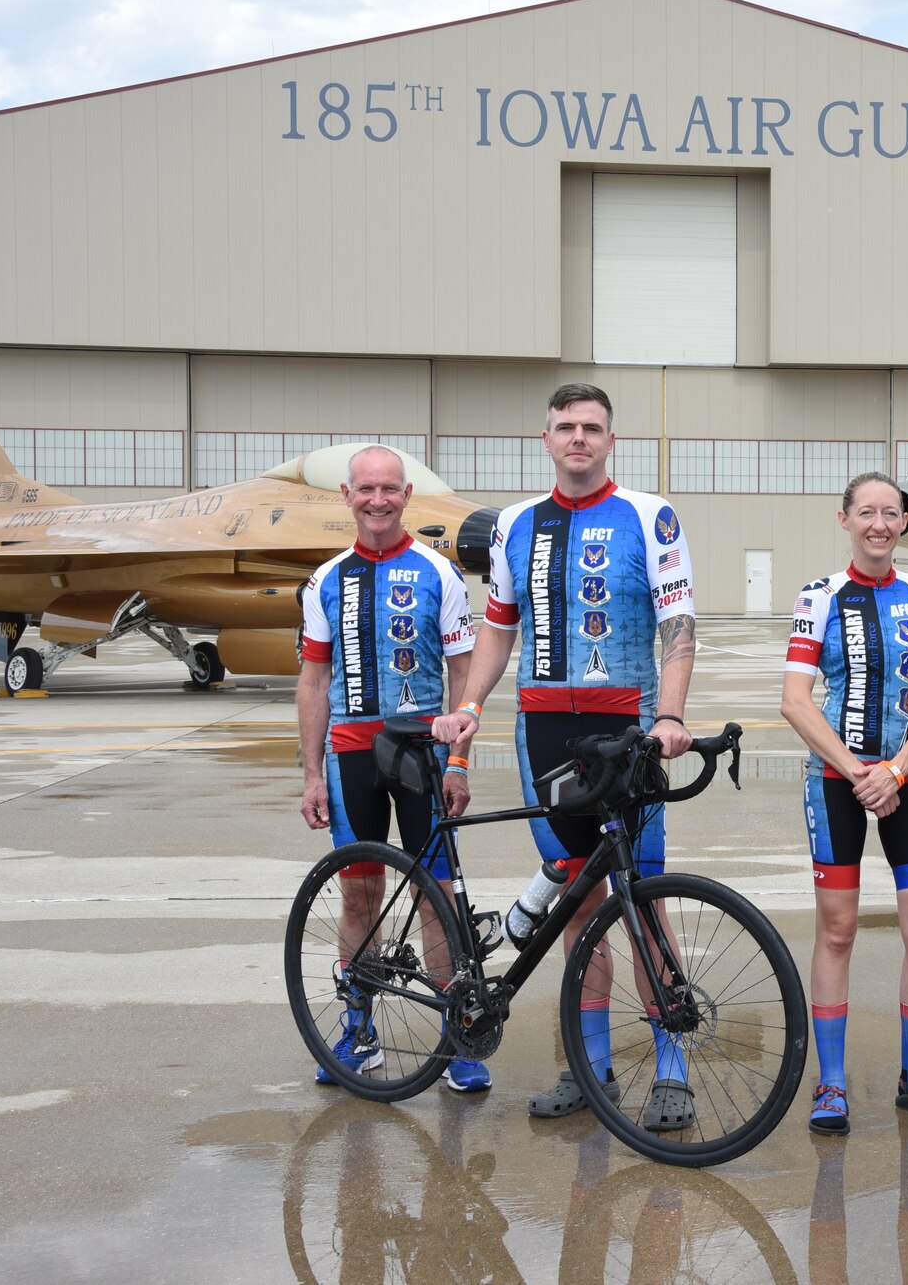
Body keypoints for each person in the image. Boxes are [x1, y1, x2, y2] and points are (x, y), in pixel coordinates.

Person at [432, 383, 698, 1128]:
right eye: (565, 427)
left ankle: (672, 1064)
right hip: (544, 730)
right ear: (546, 437)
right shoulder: (516, 524)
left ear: (610, 439)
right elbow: (497, 629)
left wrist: (671, 716)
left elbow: (679, 625)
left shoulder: (651, 515)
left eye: (591, 427)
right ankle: (591, 1067)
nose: (578, 437)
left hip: (628, 729)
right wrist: (471, 708)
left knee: (644, 902)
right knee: (581, 910)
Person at [781, 472, 908, 1134]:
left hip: (907, 776)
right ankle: (831, 1082)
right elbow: (795, 699)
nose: (880, 523)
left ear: (903, 522)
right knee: (837, 929)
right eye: (867, 512)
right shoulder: (819, 596)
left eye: (891, 512)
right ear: (845, 519)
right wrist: (858, 770)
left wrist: (895, 767)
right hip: (835, 778)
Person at [298, 444, 479, 1089]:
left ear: (406, 496)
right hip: (350, 754)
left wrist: (457, 761)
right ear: (346, 496)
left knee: (437, 894)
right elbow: (314, 682)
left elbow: (464, 674)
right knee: (360, 891)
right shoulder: (325, 580)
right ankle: (358, 1028)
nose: (378, 500)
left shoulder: (439, 572)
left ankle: (459, 1036)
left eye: (389, 489)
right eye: (365, 489)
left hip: (422, 752)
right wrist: (312, 774)